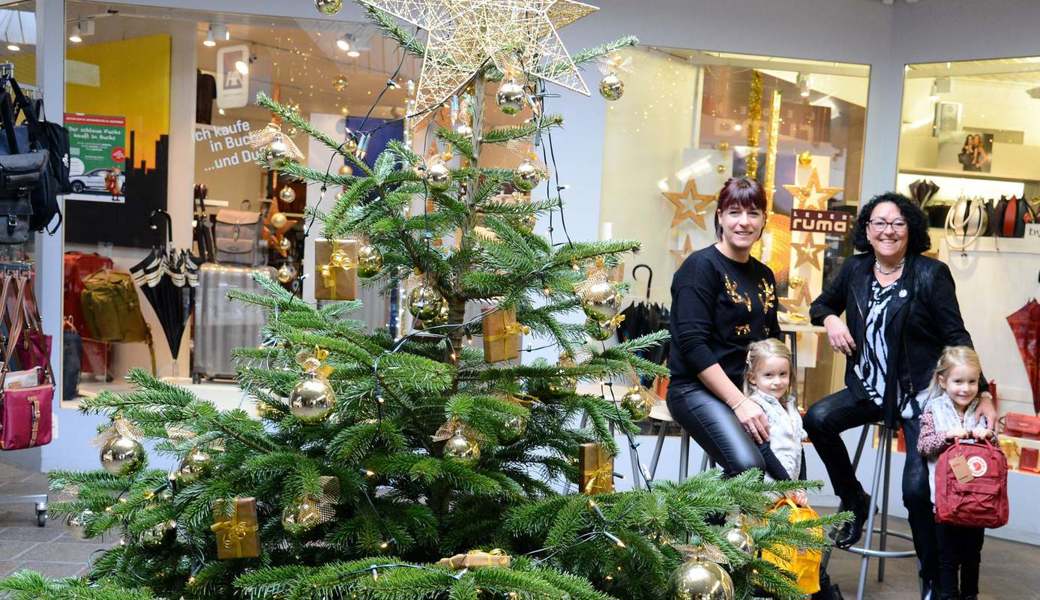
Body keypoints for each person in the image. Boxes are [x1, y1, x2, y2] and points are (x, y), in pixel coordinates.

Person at [805, 192, 995, 600]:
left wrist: (984, 393)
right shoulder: (855, 269)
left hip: (919, 395)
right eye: (879, 223)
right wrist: (833, 319)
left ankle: (932, 577)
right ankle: (854, 497)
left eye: (897, 223)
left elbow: (955, 335)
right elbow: (819, 305)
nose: (888, 230)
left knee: (915, 489)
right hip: (868, 389)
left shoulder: (931, 274)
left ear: (911, 230)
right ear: (867, 231)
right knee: (817, 418)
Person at [667, 177, 780, 477]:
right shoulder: (700, 267)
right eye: (734, 212)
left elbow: (773, 341)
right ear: (720, 216)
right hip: (695, 390)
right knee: (748, 467)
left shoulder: (764, 275)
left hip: (748, 393)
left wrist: (780, 399)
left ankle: (743, 525)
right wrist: (739, 403)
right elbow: (693, 347)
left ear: (764, 219)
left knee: (788, 469)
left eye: (753, 213)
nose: (744, 222)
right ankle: (689, 523)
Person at [917, 346, 993, 600]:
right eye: (958, 381)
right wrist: (947, 437)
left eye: (972, 381)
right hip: (945, 501)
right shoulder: (933, 409)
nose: (966, 388)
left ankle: (970, 595)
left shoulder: (981, 411)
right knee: (947, 557)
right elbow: (924, 445)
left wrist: (988, 435)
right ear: (943, 381)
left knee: (972, 556)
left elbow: (995, 452)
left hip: (977, 502)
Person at [744, 338, 808, 504]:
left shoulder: (790, 407)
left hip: (787, 492)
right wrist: (788, 485)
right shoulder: (756, 407)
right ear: (752, 378)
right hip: (765, 492)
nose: (777, 381)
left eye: (783, 374)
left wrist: (801, 486)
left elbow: (799, 450)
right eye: (768, 375)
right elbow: (763, 452)